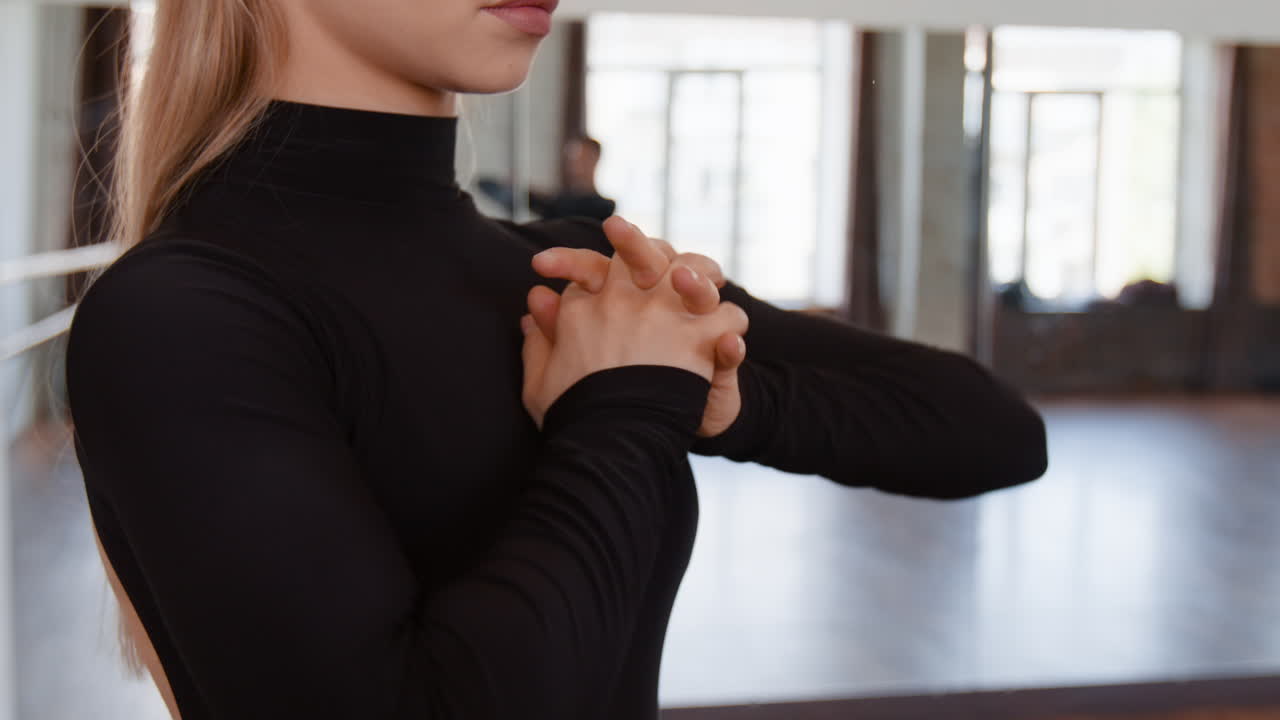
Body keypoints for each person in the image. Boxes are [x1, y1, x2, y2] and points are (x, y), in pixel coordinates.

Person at [65, 1, 1048, 718]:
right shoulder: (183, 313)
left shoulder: (562, 270)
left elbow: (991, 432)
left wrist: (714, 401)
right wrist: (622, 416)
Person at [477, 134, 617, 221]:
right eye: (572, 157)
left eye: (580, 156)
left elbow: (562, 206)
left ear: (594, 158)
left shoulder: (603, 208)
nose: (574, 163)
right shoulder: (558, 203)